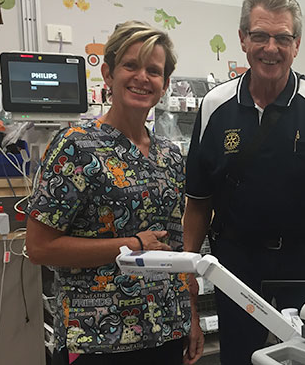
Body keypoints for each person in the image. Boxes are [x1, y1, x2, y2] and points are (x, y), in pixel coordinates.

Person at [183, 0, 305, 365]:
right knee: (242, 356)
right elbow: (197, 202)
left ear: (297, 44)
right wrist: (189, 277)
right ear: (243, 39)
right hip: (237, 260)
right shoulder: (215, 105)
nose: (270, 48)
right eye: (260, 35)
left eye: (282, 37)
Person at [25, 20, 203, 365]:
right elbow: (39, 247)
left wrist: (190, 317)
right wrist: (132, 246)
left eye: (154, 71)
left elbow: (177, 248)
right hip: (96, 338)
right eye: (131, 65)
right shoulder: (76, 147)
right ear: (108, 73)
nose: (142, 78)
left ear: (165, 84)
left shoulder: (169, 156)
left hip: (165, 330)